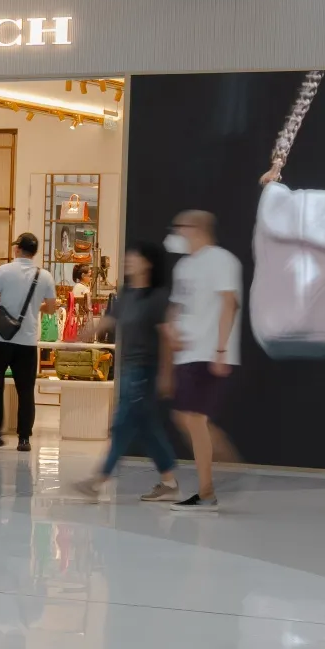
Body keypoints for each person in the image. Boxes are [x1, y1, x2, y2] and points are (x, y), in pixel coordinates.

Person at [70, 243, 179, 499]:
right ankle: (170, 483)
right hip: (128, 368)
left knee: (121, 425)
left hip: (144, 370)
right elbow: (110, 320)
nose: (129, 261)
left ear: (148, 263)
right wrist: (85, 335)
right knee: (146, 426)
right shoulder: (127, 293)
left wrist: (166, 374)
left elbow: (167, 338)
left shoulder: (157, 297)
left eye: (134, 258)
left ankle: (98, 480)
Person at [161, 209, 241, 510]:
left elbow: (228, 304)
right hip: (188, 352)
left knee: (193, 419)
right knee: (186, 418)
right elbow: (177, 304)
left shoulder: (221, 260)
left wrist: (221, 349)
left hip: (208, 352)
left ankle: (210, 486)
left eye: (182, 227)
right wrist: (171, 329)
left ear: (196, 229)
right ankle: (216, 477)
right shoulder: (184, 266)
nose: (178, 233)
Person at [0, 232, 58, 452]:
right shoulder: (45, 276)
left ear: (18, 248)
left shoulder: (4, 271)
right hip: (27, 341)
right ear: (35, 252)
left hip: (1, 339)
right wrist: (32, 308)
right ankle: (24, 439)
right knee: (26, 391)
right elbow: (50, 308)